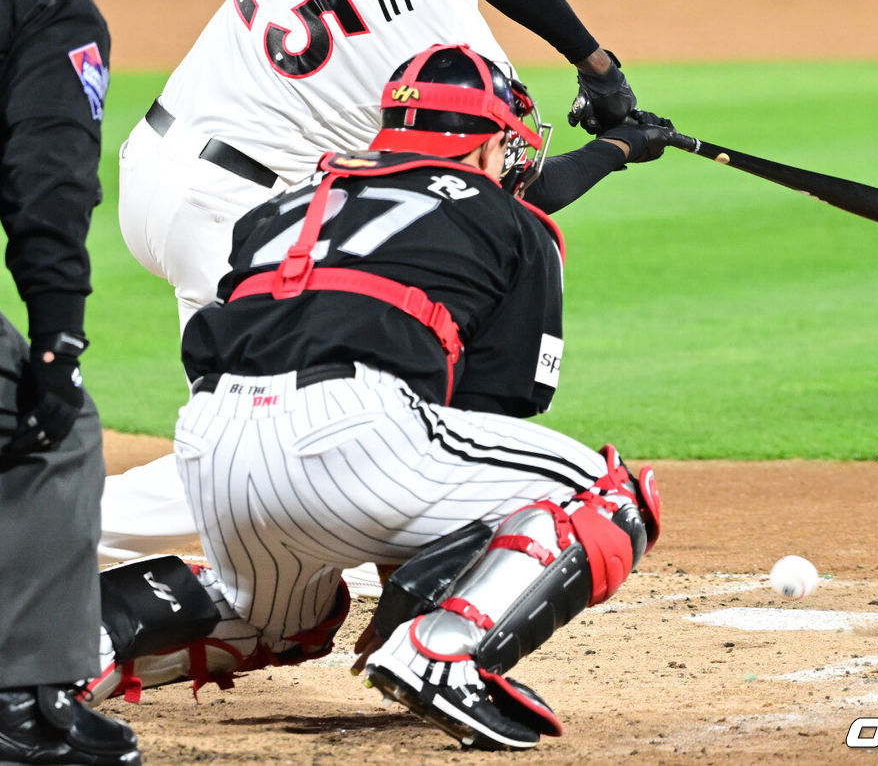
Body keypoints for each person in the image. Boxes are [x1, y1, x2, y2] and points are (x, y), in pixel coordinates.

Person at [101, 0, 652, 568]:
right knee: (252, 452)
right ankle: (52, 525)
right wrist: (619, 147)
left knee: (244, 432)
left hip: (155, 163)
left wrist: (594, 61)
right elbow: (497, 192)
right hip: (234, 216)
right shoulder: (452, 38)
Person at [87, 45, 663, 752]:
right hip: (355, 434)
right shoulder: (516, 224)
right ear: (486, 142)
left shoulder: (287, 204)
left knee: (273, 618)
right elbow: (480, 421)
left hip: (210, 443)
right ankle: (446, 648)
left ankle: (70, 646)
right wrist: (416, 596)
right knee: (605, 495)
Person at [0, 0, 142, 766]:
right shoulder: (42, 4)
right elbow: (47, 187)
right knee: (53, 434)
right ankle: (21, 704)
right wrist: (56, 342)